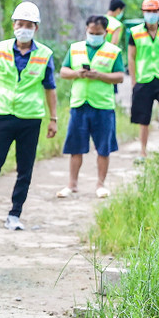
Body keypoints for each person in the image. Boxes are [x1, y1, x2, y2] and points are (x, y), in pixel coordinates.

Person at [0, 1, 58, 231]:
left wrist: (53, 118)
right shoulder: (0, 49)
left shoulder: (45, 54)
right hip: (3, 116)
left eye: (28, 24)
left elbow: (50, 87)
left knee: (24, 169)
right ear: (13, 25)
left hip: (30, 118)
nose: (23, 28)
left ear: (36, 28)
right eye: (19, 23)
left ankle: (14, 215)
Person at [56, 15, 125, 199]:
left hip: (102, 105)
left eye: (98, 33)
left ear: (105, 33)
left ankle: (100, 184)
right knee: (75, 146)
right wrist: (77, 74)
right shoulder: (75, 48)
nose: (94, 36)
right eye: (91, 32)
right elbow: (63, 71)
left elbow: (119, 76)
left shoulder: (113, 51)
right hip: (79, 103)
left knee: (103, 147)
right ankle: (72, 184)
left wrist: (100, 75)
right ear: (86, 30)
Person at [128, 0, 159, 161]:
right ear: (143, 12)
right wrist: (133, 80)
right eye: (148, 11)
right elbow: (131, 57)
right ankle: (143, 151)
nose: (151, 14)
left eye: (154, 11)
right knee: (143, 118)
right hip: (143, 78)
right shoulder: (135, 32)